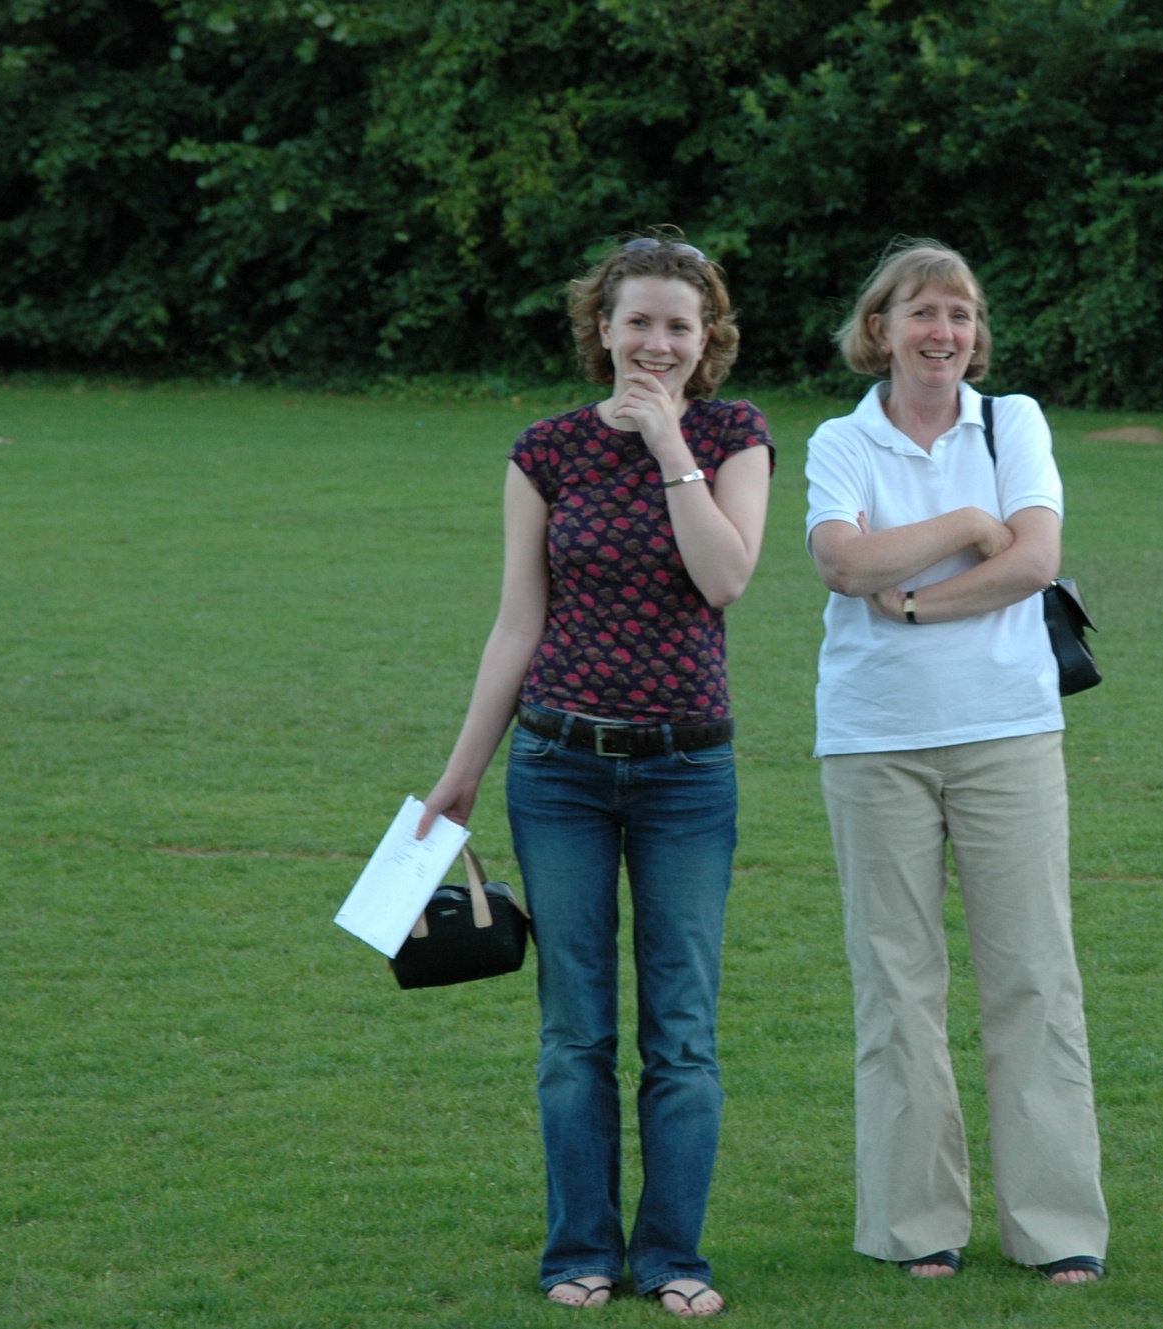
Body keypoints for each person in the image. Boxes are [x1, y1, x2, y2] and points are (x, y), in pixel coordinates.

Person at [417, 232, 773, 1316]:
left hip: (686, 773)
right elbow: (516, 622)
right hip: (558, 768)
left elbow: (725, 578)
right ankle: (579, 1248)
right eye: (638, 322)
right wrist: (461, 773)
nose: (657, 342)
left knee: (682, 1033)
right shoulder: (547, 449)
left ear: (706, 338)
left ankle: (672, 1257)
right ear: (603, 328)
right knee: (574, 1032)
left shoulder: (734, 434)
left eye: (679, 325)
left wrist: (669, 444)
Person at [803, 240, 1109, 1285]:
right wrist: (974, 524)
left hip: (1008, 731)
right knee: (896, 987)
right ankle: (914, 1226)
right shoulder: (840, 440)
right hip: (872, 741)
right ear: (879, 328)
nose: (945, 332)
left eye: (961, 314)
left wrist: (917, 604)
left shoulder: (1012, 421)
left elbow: (1036, 561)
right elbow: (841, 561)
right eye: (923, 312)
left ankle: (1056, 1228)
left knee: (1034, 978)